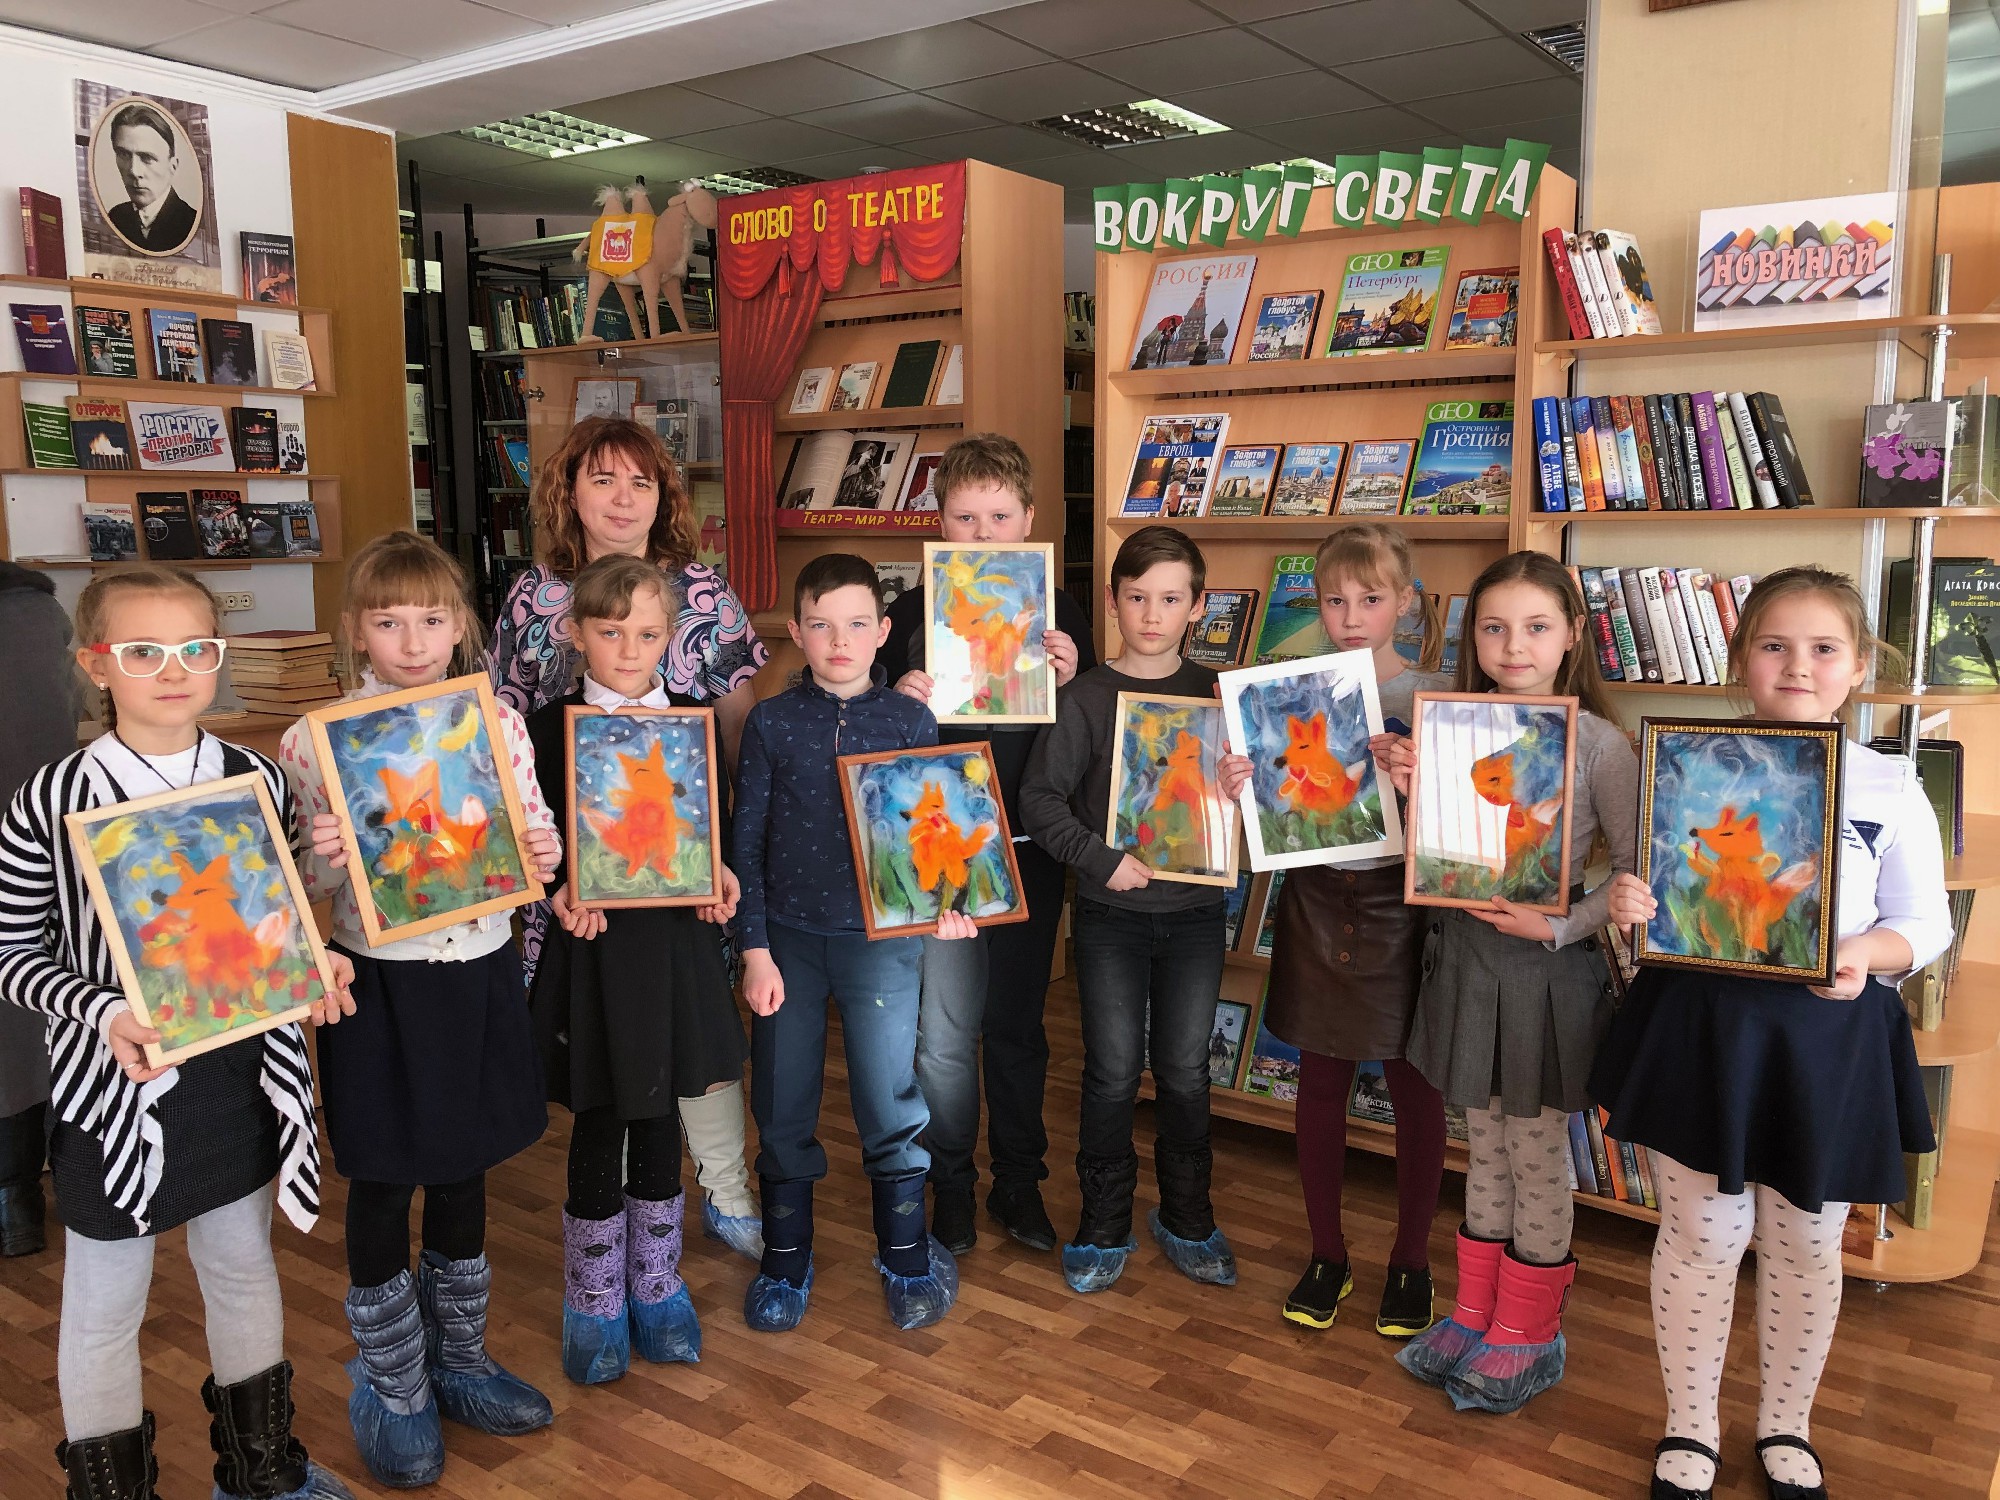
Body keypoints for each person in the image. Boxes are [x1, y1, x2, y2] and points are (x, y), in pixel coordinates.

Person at [1592, 567, 1950, 1500]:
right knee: (1701, 1240)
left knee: (1805, 1244)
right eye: (1774, 645)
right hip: (1703, 1030)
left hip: (1824, 1042)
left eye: (1824, 648)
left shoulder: (1891, 784)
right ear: (1741, 658)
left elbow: (1925, 922)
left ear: (1858, 666)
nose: (1798, 665)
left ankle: (1786, 1423)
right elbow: (1662, 890)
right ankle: (1692, 1426)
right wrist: (1631, 902)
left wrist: (1861, 952)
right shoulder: (1684, 764)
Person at [0, 567, 355, 1500]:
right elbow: (10, 953)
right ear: (96, 665)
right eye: (143, 651)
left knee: (241, 1266)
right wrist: (105, 1011)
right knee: (105, 1301)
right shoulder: (51, 800)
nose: (173, 669)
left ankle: (261, 1470)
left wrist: (316, 963)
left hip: (239, 1070)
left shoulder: (257, 780)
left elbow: (278, 921)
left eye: (196, 649)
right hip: (116, 1088)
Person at [280, 532, 557, 1490]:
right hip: (378, 981)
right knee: (384, 1173)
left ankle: (461, 1361)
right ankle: (394, 1384)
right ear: (355, 630)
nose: (411, 641)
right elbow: (299, 889)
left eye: (431, 620)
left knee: (464, 1163)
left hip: (477, 967)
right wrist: (320, 854)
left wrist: (543, 850)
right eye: (389, 621)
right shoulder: (316, 740)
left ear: (460, 626)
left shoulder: (495, 722)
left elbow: (530, 830)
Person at [488, 414, 764, 1260]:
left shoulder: (704, 591)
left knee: (692, 1029)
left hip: (683, 869)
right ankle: (606, 1264)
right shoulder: (535, 597)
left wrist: (725, 852)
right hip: (581, 883)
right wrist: (551, 878)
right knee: (607, 1053)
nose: (621, 497)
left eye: (639, 481)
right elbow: (509, 741)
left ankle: (723, 1188)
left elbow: (735, 731)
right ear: (568, 490)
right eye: (601, 478)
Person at [1390, 550, 1636, 1414]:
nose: (1513, 646)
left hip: (1545, 975)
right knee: (1483, 1147)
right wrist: (1409, 791)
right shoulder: (1451, 729)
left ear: (1572, 636)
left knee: (1535, 1155)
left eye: (1536, 627)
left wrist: (1558, 924)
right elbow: (1434, 856)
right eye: (1494, 628)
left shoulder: (1600, 745)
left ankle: (1530, 1330)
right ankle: (1476, 1312)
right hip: (1464, 964)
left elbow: (1634, 877)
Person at [523, 554, 748, 1386]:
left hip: (675, 943)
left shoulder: (694, 720)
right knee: (602, 1111)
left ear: (670, 637)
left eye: (647, 634)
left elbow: (708, 828)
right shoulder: (544, 729)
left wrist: (718, 875)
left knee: (662, 1107)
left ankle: (656, 1283)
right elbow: (526, 839)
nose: (629, 649)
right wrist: (553, 889)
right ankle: (592, 1297)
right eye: (611, 632)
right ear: (576, 633)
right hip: (594, 950)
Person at [733, 553, 969, 1334]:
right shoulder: (772, 723)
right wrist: (755, 949)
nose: (840, 641)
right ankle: (785, 1259)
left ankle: (904, 1254)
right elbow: (746, 843)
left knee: (888, 1096)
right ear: (796, 632)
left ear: (883, 632)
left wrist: (949, 903)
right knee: (781, 1097)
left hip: (881, 945)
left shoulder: (908, 721)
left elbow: (933, 829)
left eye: (857, 624)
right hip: (788, 944)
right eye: (822, 625)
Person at [1020, 525, 1252, 1295]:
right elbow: (1041, 801)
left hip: (1195, 915)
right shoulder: (1085, 696)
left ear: (1198, 606)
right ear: (1113, 599)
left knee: (1185, 1071)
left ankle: (1188, 1217)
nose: (1153, 615)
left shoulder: (1220, 697)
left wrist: (1243, 791)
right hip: (1109, 915)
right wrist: (1101, 859)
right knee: (1113, 1072)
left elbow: (1262, 813)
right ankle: (1103, 1221)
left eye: (1171, 599)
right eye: (1137, 597)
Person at [880, 433, 1093, 1254]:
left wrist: (1074, 681)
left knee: (1016, 1025)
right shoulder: (907, 612)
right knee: (943, 1036)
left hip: (1030, 844)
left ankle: (1018, 1182)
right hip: (943, 852)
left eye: (999, 517)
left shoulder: (1059, 608)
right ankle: (952, 1185)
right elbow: (871, 746)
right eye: (965, 518)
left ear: (1029, 519)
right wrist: (897, 699)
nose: (982, 533)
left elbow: (1096, 739)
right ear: (939, 523)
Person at [1267, 525, 1449, 1335]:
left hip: (1405, 910)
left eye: (1370, 599)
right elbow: (1275, 809)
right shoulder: (1288, 694)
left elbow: (1471, 828)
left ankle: (1411, 1261)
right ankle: (1327, 1255)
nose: (1350, 617)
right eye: (1334, 600)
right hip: (1316, 898)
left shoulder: (1440, 695)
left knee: (1416, 1087)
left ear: (1404, 603)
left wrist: (1417, 778)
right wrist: (1247, 782)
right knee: (1319, 1083)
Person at [0, 561, 80, 1259]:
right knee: (34, 1014)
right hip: (53, 843)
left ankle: (13, 1198)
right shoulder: (37, 613)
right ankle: (19, 1200)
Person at [103, 102, 199, 254]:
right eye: (124, 155)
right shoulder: (116, 216)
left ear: (172, 166)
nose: (134, 171)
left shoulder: (191, 223)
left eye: (147, 158)